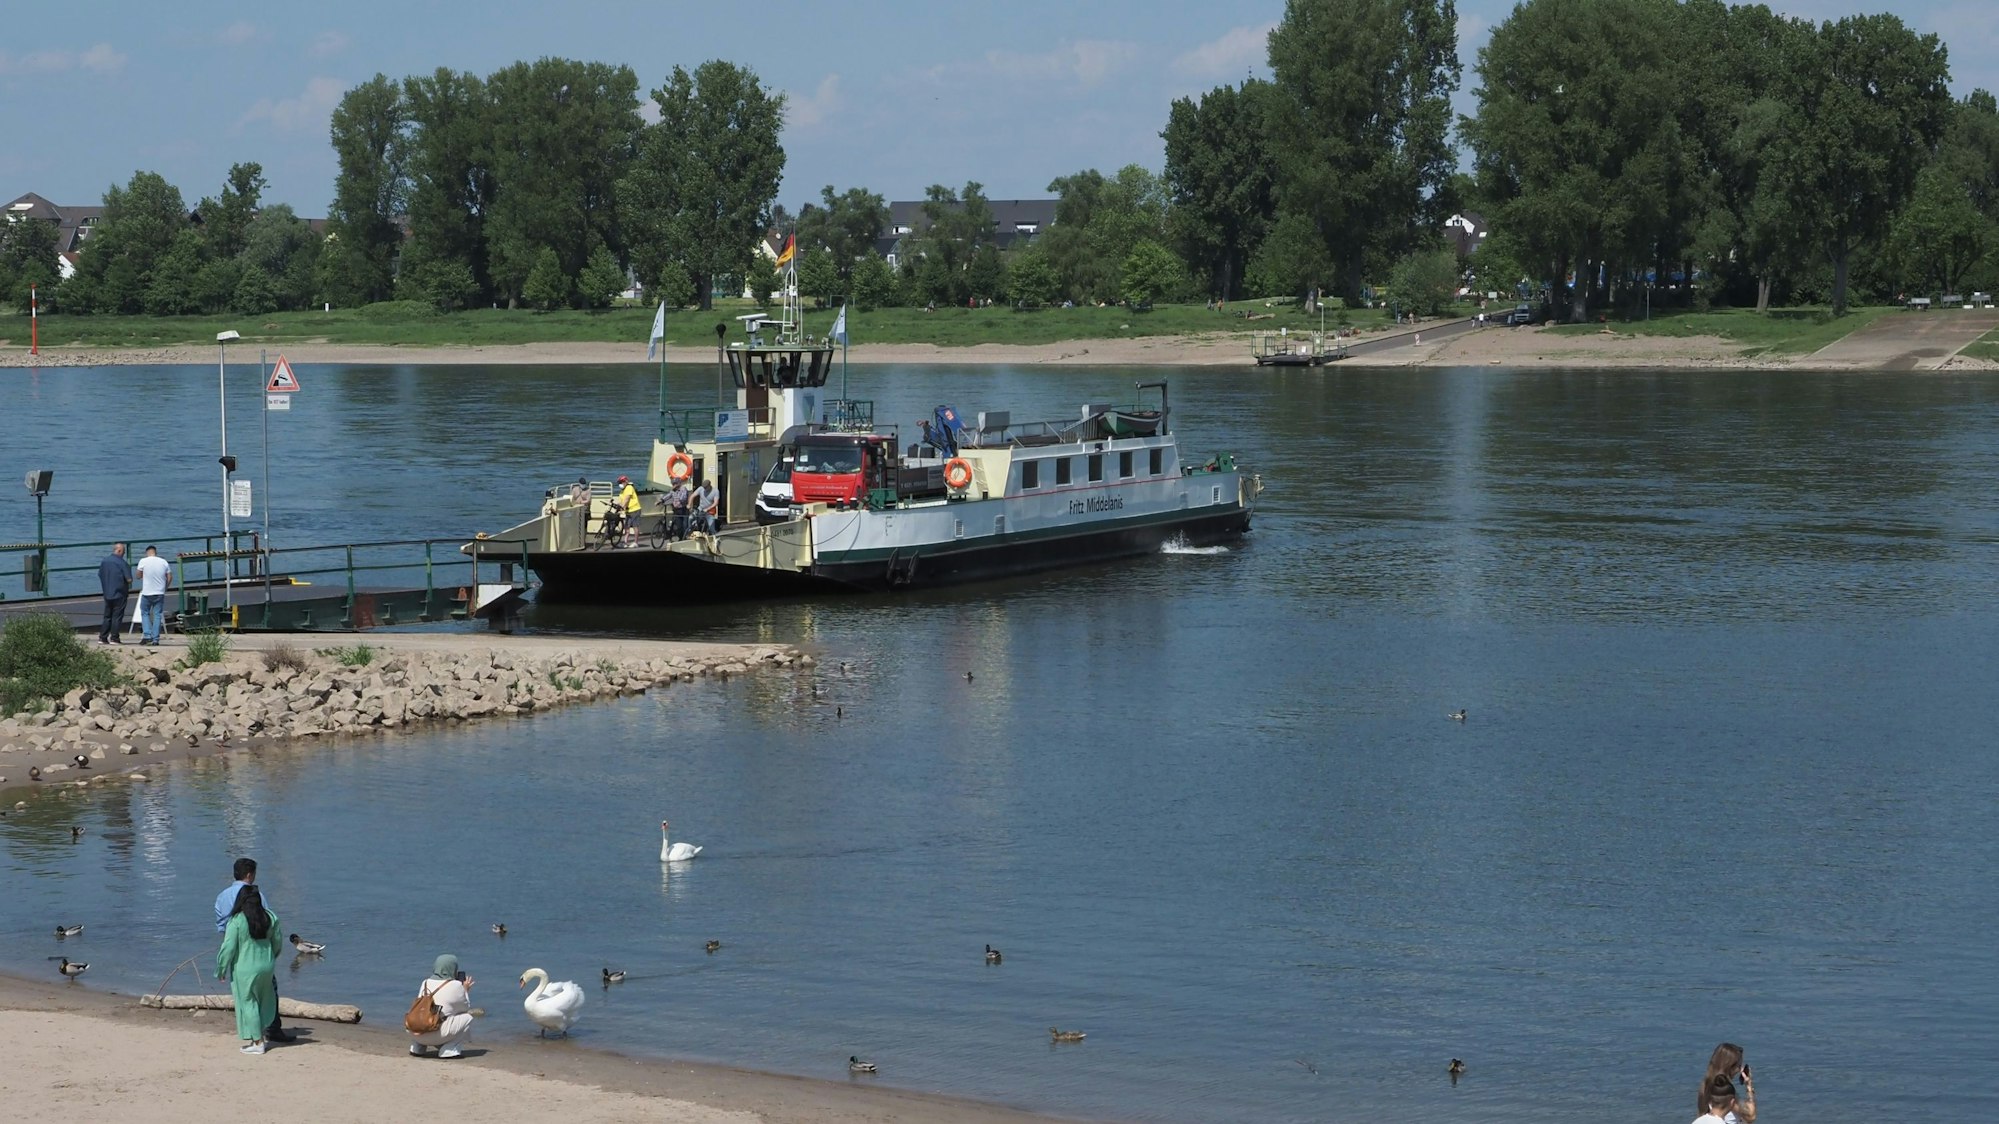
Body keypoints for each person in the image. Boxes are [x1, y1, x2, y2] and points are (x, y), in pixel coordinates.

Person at [216, 858, 294, 1043]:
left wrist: (221, 967)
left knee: (246, 998)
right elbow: (271, 931)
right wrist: (272, 955)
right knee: (268, 993)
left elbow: (222, 928)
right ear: (250, 875)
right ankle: (271, 1029)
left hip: (239, 953)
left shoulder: (222, 898)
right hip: (261, 953)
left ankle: (254, 1037)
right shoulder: (261, 900)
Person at [408, 954, 476, 1059]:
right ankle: (449, 1049)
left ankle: (417, 1047)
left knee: (424, 1013)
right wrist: (465, 990)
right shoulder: (456, 985)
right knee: (468, 1017)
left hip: (416, 1031)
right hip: (437, 1034)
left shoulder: (425, 982)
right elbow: (465, 1008)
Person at [1698, 1043, 1756, 1123]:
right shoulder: (1725, 1091)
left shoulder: (1705, 1085)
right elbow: (1750, 1116)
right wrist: (1749, 1087)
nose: (1740, 1070)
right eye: (1738, 1066)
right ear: (1730, 1066)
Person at [133, 544, 172, 647]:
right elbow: (169, 576)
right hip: (159, 592)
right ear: (155, 552)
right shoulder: (163, 562)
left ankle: (147, 635)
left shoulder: (143, 561)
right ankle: (156, 639)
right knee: (157, 615)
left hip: (147, 592)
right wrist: (165, 587)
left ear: (147, 552)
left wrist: (143, 575)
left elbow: (137, 575)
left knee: (145, 613)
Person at [97, 543, 132, 644]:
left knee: (107, 616)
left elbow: (100, 574)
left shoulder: (104, 561)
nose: (124, 554)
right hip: (119, 593)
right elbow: (129, 579)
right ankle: (114, 637)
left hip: (107, 592)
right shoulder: (122, 563)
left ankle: (103, 637)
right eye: (124, 552)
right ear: (120, 551)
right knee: (117, 616)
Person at [613, 475, 641, 547]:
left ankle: (636, 542)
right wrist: (616, 505)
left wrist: (622, 506)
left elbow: (627, 499)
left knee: (635, 526)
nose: (620, 484)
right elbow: (622, 501)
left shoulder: (629, 487)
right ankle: (625, 542)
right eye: (619, 482)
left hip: (635, 509)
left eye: (621, 482)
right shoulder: (622, 491)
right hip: (628, 511)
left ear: (626, 481)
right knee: (627, 527)